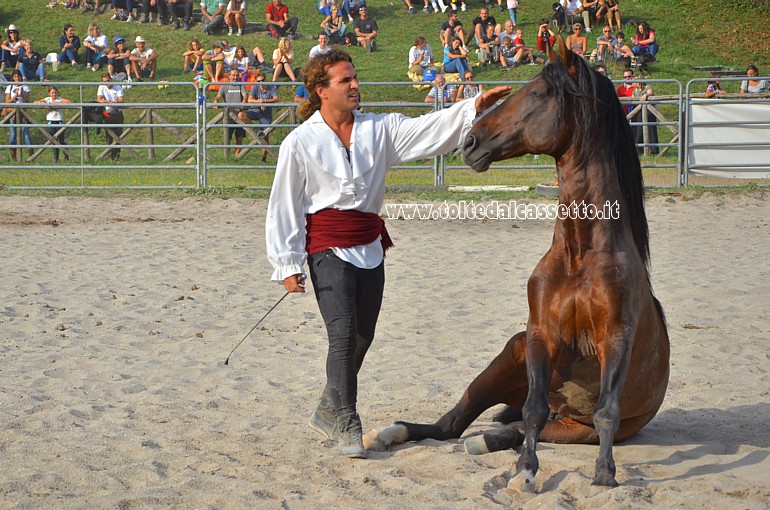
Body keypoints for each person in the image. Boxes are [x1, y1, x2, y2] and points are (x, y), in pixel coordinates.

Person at [265, 49, 510, 459]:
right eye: (346, 80)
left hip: (370, 247)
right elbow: (284, 204)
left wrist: (471, 108)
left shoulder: (379, 130)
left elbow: (425, 130)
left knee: (363, 336)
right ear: (321, 90)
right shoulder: (300, 142)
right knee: (342, 336)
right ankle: (345, 419)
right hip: (326, 248)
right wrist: (287, 263)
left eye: (354, 77)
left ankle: (328, 407)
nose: (356, 85)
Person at [238, 71, 278, 162]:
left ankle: (264, 158)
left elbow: (276, 98)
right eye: (258, 81)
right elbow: (249, 99)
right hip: (256, 111)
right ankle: (257, 129)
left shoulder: (271, 87)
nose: (261, 83)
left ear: (265, 79)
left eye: (262, 80)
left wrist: (265, 102)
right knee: (241, 115)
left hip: (266, 114)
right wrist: (259, 102)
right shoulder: (255, 87)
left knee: (265, 135)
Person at [34, 86, 73, 164]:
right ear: (49, 93)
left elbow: (69, 102)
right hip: (51, 122)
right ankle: (56, 159)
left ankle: (66, 156)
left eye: (55, 92)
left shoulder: (59, 99)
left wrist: (58, 103)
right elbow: (35, 102)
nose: (54, 94)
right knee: (53, 140)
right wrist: (44, 104)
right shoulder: (47, 99)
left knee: (61, 140)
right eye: (52, 93)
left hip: (59, 121)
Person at [213, 67, 247, 156]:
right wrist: (216, 101)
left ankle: (237, 156)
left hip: (239, 113)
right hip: (228, 115)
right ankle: (226, 156)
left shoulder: (241, 85)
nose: (235, 77)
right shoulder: (224, 86)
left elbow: (245, 95)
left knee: (239, 137)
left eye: (237, 75)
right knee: (227, 137)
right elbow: (218, 96)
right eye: (233, 75)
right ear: (229, 76)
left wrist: (244, 101)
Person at [3, 69, 32, 160]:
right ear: (13, 78)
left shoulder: (25, 87)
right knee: (13, 136)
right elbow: (7, 102)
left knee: (26, 135)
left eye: (18, 76)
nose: (17, 78)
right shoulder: (9, 87)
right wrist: (15, 96)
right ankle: (14, 157)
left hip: (22, 114)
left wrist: (22, 94)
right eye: (15, 76)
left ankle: (32, 157)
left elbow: (27, 102)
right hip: (12, 113)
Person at [96, 71, 125, 161]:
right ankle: (109, 154)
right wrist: (106, 101)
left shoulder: (118, 87)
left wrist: (114, 103)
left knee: (118, 135)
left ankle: (117, 154)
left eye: (108, 80)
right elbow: (99, 99)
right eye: (104, 82)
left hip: (117, 113)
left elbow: (121, 100)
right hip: (107, 113)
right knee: (108, 135)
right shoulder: (101, 87)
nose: (107, 83)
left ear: (111, 79)